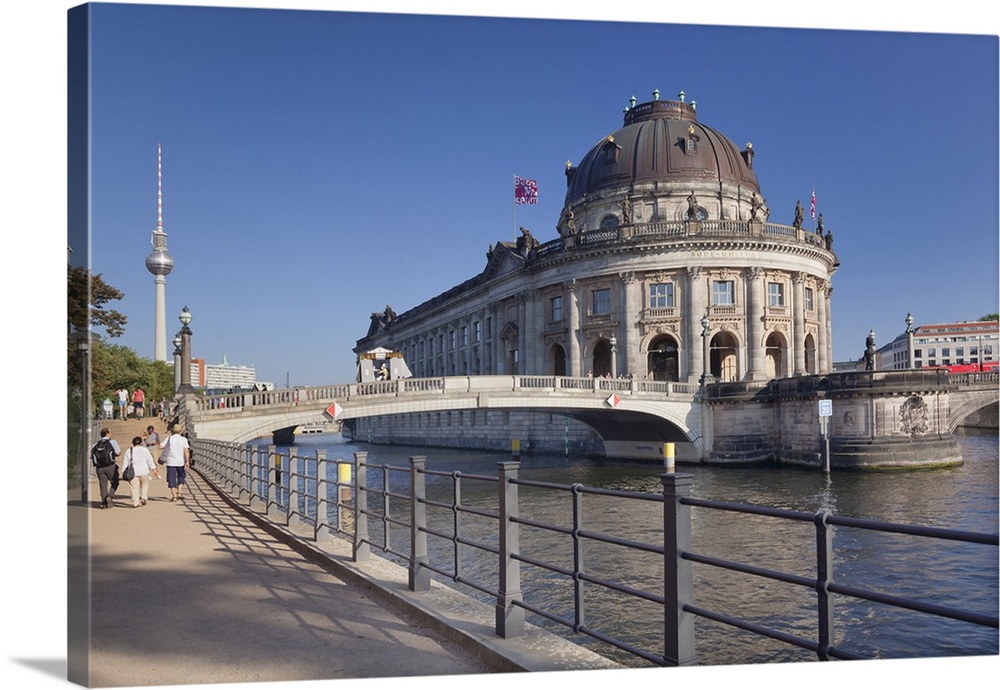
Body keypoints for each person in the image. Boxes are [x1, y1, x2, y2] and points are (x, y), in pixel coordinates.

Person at [120, 436, 159, 507]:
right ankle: (144, 497)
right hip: (144, 470)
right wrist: (153, 469)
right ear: (141, 443)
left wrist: (123, 471)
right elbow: (149, 460)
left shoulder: (129, 451)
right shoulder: (145, 450)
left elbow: (125, 462)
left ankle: (135, 502)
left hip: (133, 472)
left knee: (134, 487)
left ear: (133, 443)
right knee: (145, 484)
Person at [159, 423, 191, 502]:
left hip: (170, 462)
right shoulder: (183, 439)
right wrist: (187, 460)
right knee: (181, 476)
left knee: (171, 478)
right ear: (180, 431)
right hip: (181, 461)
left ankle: (174, 496)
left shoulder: (169, 438)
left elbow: (160, 446)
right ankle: (179, 492)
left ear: (172, 431)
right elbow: (186, 450)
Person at [90, 428, 121, 509]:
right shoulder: (112, 442)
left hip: (99, 467)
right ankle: (110, 496)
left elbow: (91, 456)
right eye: (110, 432)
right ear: (107, 433)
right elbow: (118, 453)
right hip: (110, 466)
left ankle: (104, 503)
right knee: (115, 482)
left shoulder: (95, 444)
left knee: (103, 485)